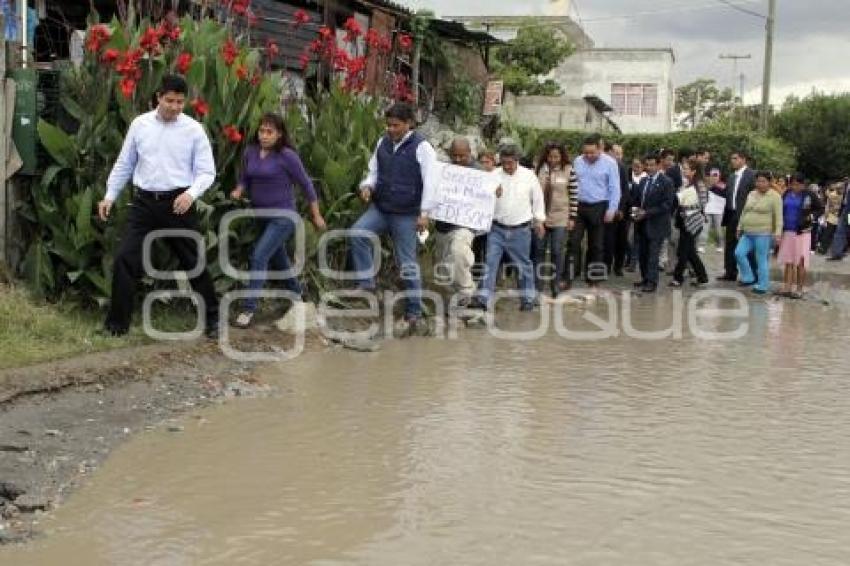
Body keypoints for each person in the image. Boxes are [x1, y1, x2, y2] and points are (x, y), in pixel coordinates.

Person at [98, 74, 220, 338]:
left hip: (179, 203)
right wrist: (109, 195)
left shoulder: (194, 130)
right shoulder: (139, 125)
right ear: (158, 97)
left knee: (193, 261)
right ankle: (116, 325)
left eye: (180, 102)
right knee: (124, 259)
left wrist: (191, 194)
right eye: (170, 101)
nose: (175, 107)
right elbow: (125, 163)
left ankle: (213, 319)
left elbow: (207, 172)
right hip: (143, 203)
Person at [229, 113, 326, 328]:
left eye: (269, 132)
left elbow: (306, 185)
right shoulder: (250, 152)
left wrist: (316, 215)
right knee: (278, 258)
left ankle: (248, 309)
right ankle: (297, 295)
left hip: (283, 217)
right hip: (261, 216)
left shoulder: (287, 156)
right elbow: (245, 178)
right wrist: (238, 190)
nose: (264, 135)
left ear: (279, 134)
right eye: (261, 130)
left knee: (259, 255)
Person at [350, 102, 438, 334]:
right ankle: (367, 285)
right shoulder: (382, 143)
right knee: (357, 234)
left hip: (407, 214)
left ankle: (414, 312)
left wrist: (425, 214)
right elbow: (373, 172)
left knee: (407, 262)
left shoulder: (423, 148)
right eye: (388, 125)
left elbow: (431, 182)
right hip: (381, 208)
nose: (391, 129)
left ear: (408, 124)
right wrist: (367, 186)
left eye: (395, 125)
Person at [473, 144, 545, 311]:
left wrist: (539, 220)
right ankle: (484, 298)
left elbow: (538, 199)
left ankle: (527, 299)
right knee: (490, 262)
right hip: (496, 229)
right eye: (504, 162)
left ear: (517, 161)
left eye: (510, 163)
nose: (506, 166)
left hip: (520, 229)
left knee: (523, 265)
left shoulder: (529, 176)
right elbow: (481, 198)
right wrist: (491, 192)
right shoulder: (493, 175)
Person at [564, 134, 620, 289]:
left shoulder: (610, 163)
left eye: (592, 153)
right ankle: (568, 276)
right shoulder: (578, 161)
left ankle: (594, 279)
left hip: (599, 207)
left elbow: (614, 188)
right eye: (586, 152)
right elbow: (572, 185)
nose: (588, 156)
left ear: (600, 149)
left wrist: (612, 209)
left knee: (596, 245)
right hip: (579, 206)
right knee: (573, 243)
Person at [433, 137, 480, 305]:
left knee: (459, 252)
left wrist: (494, 190)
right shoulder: (443, 169)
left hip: (465, 225)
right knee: (443, 269)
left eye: (462, 156)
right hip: (442, 225)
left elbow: (489, 193)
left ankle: (468, 291)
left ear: (470, 153)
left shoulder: (479, 172)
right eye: (455, 156)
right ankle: (455, 303)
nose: (458, 160)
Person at [533, 142, 578, 296]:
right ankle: (537, 286)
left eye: (556, 157)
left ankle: (555, 285)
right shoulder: (538, 170)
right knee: (538, 251)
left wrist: (572, 217)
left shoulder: (568, 170)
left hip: (560, 217)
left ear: (561, 157)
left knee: (557, 251)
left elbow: (574, 195)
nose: (553, 159)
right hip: (541, 217)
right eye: (550, 156)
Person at [631, 153, 675, 293]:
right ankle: (645, 278)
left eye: (652, 165)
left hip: (657, 224)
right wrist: (635, 213)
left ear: (658, 165)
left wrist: (647, 213)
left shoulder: (666, 182)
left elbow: (667, 205)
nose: (649, 168)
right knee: (642, 254)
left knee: (653, 255)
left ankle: (652, 282)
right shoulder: (643, 181)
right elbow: (638, 201)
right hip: (642, 224)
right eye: (647, 165)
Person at [735, 171, 783, 295]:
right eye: (758, 181)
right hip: (747, 232)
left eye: (763, 181)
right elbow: (744, 212)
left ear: (769, 182)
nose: (760, 184)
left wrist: (778, 233)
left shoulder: (775, 196)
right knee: (738, 253)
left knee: (761, 259)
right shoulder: (751, 194)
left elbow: (779, 217)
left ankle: (762, 285)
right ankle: (748, 277)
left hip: (763, 233)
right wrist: (739, 227)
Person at [777, 173, 822, 298]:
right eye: (793, 184)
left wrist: (811, 217)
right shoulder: (786, 193)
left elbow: (820, 208)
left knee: (800, 261)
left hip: (802, 232)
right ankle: (787, 286)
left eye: (798, 184)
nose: (795, 187)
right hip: (787, 230)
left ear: (803, 184)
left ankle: (799, 289)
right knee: (788, 260)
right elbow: (781, 207)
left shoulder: (809, 195)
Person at [669, 159, 708, 287]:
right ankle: (702, 277)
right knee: (688, 251)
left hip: (693, 222)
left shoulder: (699, 185)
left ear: (694, 171)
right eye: (684, 168)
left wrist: (686, 209)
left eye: (686, 169)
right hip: (685, 222)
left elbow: (702, 204)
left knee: (684, 251)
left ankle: (678, 278)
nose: (684, 171)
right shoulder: (688, 183)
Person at [719, 151, 756, 281]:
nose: (732, 161)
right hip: (731, 214)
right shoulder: (731, 177)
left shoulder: (752, 175)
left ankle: (752, 274)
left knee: (747, 246)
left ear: (743, 159)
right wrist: (713, 187)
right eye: (731, 159)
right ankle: (730, 272)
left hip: (745, 215)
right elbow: (727, 193)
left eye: (735, 158)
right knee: (730, 244)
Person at [603, 142, 632, 276]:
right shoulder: (604, 166)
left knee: (621, 240)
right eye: (615, 152)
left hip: (621, 211)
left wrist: (620, 209)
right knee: (608, 240)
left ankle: (618, 266)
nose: (617, 156)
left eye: (619, 153)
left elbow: (624, 190)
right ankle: (607, 266)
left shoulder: (621, 167)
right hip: (607, 209)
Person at [625, 157, 647, 272]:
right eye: (634, 165)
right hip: (630, 210)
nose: (636, 168)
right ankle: (630, 259)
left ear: (643, 167)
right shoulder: (629, 177)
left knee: (635, 237)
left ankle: (633, 262)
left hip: (640, 210)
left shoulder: (645, 179)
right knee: (629, 237)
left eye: (638, 166)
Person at [826, 178, 850, 261]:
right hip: (845, 211)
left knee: (843, 231)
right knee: (840, 231)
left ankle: (838, 252)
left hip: (849, 212)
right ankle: (837, 253)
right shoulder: (846, 186)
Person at [703, 168, 726, 253]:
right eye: (713, 175)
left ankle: (720, 245)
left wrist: (714, 185)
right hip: (707, 210)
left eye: (716, 175)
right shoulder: (706, 186)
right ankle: (702, 245)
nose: (714, 177)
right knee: (705, 228)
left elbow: (724, 194)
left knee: (718, 229)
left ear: (719, 176)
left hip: (718, 211)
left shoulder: (723, 186)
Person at [818, 182, 845, 254]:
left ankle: (838, 249)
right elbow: (828, 205)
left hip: (841, 216)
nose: (841, 190)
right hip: (832, 216)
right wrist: (826, 216)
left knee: (837, 233)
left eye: (842, 189)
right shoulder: (832, 195)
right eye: (840, 189)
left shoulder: (843, 196)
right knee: (828, 232)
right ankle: (823, 248)